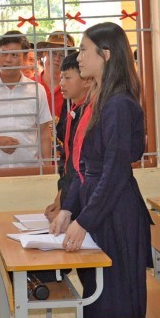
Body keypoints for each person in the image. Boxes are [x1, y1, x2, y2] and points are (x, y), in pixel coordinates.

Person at [51, 22, 151, 318]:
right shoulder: (98, 101)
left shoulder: (118, 104)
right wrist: (69, 210)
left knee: (115, 303)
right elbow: (85, 168)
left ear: (105, 55)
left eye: (83, 50)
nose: (78, 57)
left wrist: (85, 220)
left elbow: (115, 171)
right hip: (100, 205)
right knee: (97, 297)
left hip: (115, 212)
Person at [0, 31, 54, 170]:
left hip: (29, 170)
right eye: (3, 53)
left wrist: (47, 167)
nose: (7, 59)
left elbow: (44, 132)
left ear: (25, 58)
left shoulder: (37, 90)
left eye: (14, 55)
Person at [44, 51, 91, 222]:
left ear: (86, 80)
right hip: (72, 194)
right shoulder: (73, 109)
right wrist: (61, 197)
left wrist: (68, 209)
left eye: (67, 78)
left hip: (85, 199)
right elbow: (68, 159)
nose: (61, 83)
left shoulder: (93, 112)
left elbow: (82, 167)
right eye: (61, 77)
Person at [36, 30, 75, 131]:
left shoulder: (75, 89)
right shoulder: (31, 85)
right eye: (53, 53)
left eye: (62, 55)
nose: (57, 59)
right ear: (45, 54)